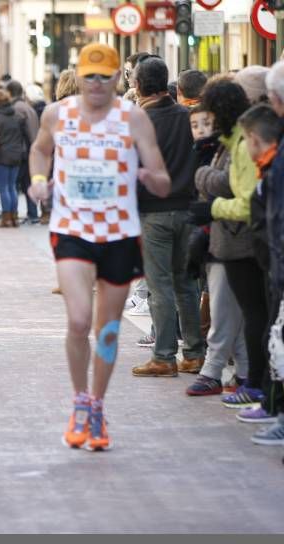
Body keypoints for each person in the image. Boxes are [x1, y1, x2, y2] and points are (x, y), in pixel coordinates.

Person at [29, 43, 171, 451]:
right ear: (79, 75)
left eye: (104, 75)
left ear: (117, 78)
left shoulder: (134, 118)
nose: (95, 83)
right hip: (72, 228)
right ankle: (78, 401)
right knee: (77, 322)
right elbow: (40, 151)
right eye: (88, 75)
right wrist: (39, 180)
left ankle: (97, 406)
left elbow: (161, 176)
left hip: (119, 233)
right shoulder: (58, 114)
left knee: (106, 328)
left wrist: (152, 180)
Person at [192, 78, 274, 424]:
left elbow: (244, 201)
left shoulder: (241, 144)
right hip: (239, 238)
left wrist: (210, 206)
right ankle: (248, 378)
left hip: (241, 239)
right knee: (249, 315)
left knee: (252, 314)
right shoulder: (233, 141)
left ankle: (255, 384)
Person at [129, 55, 205, 378]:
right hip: (187, 210)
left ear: (136, 85)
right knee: (186, 284)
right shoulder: (188, 117)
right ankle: (194, 354)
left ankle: (163, 356)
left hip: (154, 214)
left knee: (159, 286)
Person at [185, 102, 248, 397]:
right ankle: (246, 372)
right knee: (231, 309)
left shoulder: (236, 144)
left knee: (224, 308)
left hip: (233, 236)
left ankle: (215, 370)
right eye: (195, 125)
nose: (201, 130)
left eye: (206, 123)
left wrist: (202, 177)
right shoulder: (220, 145)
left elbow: (228, 185)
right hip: (220, 237)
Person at [240, 103, 284, 439]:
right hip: (272, 263)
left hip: (276, 266)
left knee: (276, 339)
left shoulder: (276, 167)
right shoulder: (269, 167)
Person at [0, 89, 30, 228]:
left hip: (0, 157)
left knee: (3, 188)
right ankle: (14, 217)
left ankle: (6, 218)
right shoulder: (17, 116)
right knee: (12, 187)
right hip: (16, 156)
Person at [6, 80, 41, 224]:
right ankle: (33, 214)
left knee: (13, 184)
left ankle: (12, 215)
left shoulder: (16, 109)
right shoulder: (28, 108)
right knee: (28, 183)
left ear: (9, 93)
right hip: (31, 150)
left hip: (21, 152)